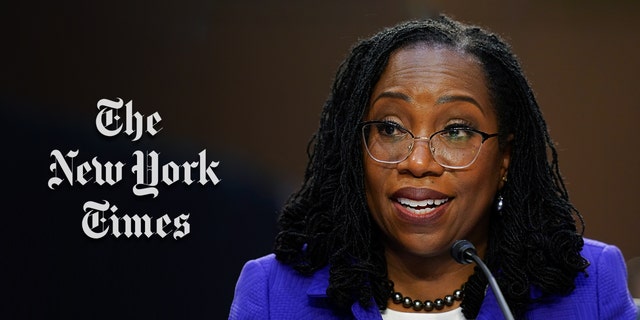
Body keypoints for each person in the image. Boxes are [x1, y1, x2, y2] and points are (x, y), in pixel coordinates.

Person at [228, 15, 638, 319]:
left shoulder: (591, 290)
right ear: (356, 149)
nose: (418, 162)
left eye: (456, 131)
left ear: (505, 160)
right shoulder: (271, 294)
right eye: (390, 128)